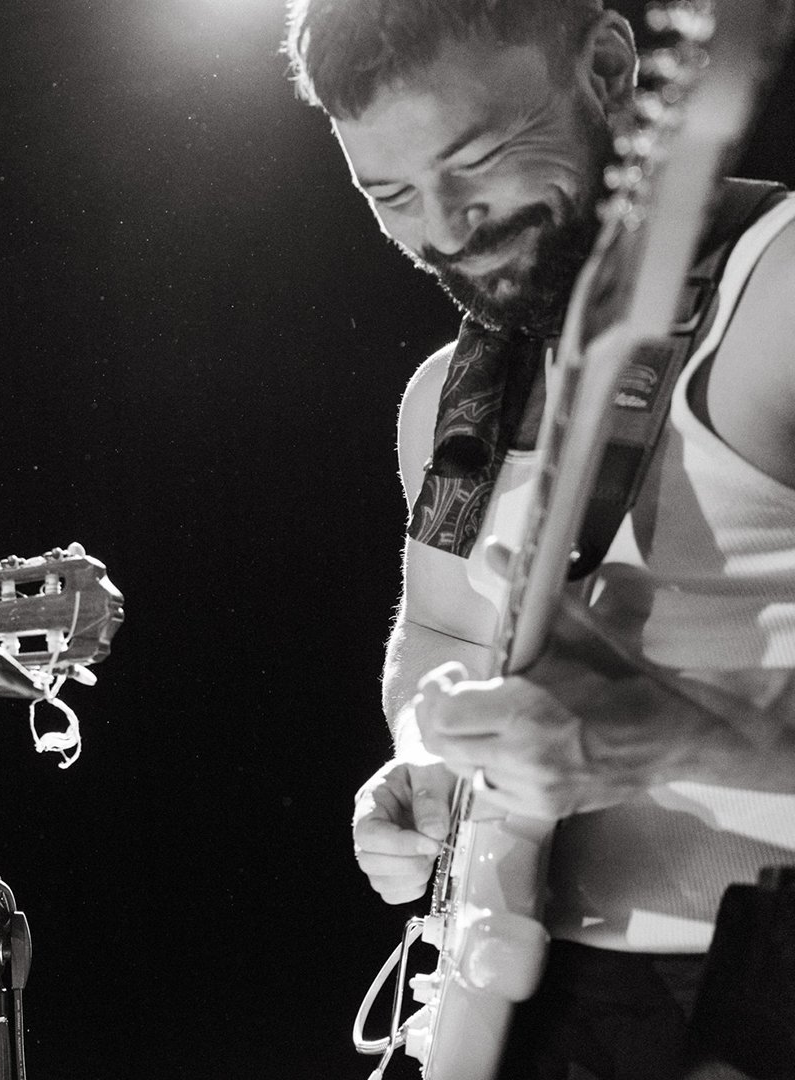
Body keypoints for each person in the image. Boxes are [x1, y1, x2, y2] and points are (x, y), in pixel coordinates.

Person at [285, 0, 795, 1075]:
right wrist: (425, 768)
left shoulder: (782, 295)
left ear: (610, 68)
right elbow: (436, 631)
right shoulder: (451, 392)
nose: (445, 226)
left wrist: (686, 743)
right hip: (538, 1001)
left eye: (476, 158)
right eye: (391, 195)